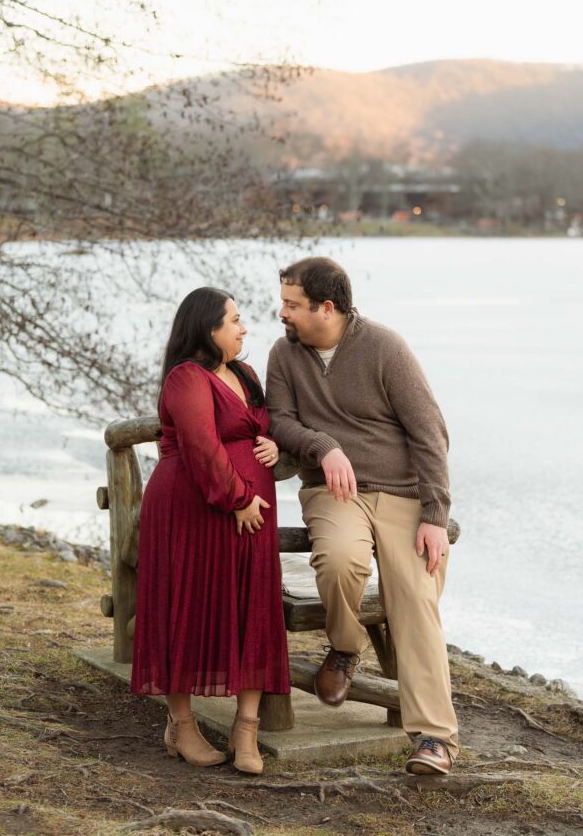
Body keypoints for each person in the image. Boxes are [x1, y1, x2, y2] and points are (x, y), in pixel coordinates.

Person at [266, 257, 459, 775]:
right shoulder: (284, 355)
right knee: (338, 562)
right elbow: (279, 421)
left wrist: (436, 515)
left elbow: (429, 433)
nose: (280, 312)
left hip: (403, 495)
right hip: (333, 494)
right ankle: (347, 648)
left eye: (291, 304)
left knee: (416, 598)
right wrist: (324, 445)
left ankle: (435, 738)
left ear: (327, 308)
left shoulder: (385, 348)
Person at [131, 287, 290, 774]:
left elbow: (258, 427)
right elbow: (201, 445)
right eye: (235, 320)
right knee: (187, 606)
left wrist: (273, 446)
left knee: (251, 609)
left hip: (251, 518)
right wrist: (239, 498)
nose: (244, 329)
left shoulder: (244, 373)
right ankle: (181, 726)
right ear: (209, 329)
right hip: (197, 509)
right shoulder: (186, 378)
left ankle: (247, 731)